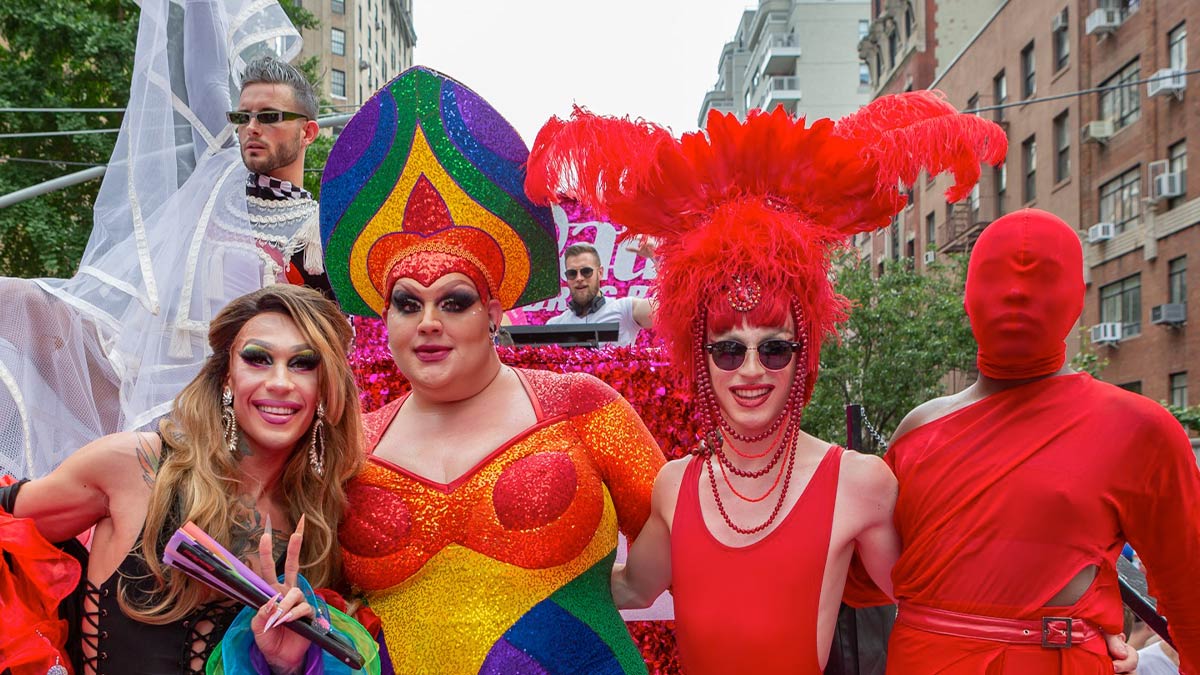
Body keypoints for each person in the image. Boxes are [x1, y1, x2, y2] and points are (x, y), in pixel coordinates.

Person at [523, 92, 1009, 673]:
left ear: (803, 355)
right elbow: (629, 589)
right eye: (728, 349)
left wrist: (1078, 634)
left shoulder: (861, 483)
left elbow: (936, 607)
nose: (751, 369)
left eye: (773, 348)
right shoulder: (674, 487)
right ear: (699, 359)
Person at [320, 66, 666, 674]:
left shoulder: (582, 407)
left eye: (453, 301)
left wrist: (629, 589)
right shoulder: (349, 442)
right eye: (407, 303)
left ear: (493, 312)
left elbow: (681, 525)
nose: (428, 321)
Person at [0, 0, 326, 479]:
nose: (252, 127)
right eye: (243, 116)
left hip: (237, 420)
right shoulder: (219, 179)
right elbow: (205, 74)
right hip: (143, 390)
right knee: (12, 300)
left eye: (271, 116)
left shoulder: (314, 228)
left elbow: (322, 351)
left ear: (309, 132)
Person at [869, 208, 1200, 673]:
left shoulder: (1140, 429)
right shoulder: (919, 429)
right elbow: (859, 575)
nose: (1017, 293)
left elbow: (1190, 595)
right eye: (995, 275)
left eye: (1043, 277)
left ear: (1077, 299)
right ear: (968, 294)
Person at [0, 284, 364, 675]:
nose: (279, 382)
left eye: (303, 364)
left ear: (325, 387)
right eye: (257, 359)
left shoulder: (321, 525)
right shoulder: (135, 466)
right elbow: (9, 531)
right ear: (227, 377)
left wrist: (286, 664)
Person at [545, 243, 654, 346]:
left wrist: (657, 257)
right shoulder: (554, 325)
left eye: (586, 271)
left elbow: (666, 311)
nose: (579, 278)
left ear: (600, 273)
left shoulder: (624, 309)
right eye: (572, 273)